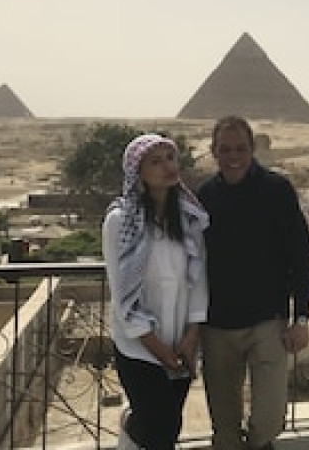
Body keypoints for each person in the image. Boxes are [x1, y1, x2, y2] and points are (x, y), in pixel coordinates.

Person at [197, 115, 309, 450]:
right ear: (214, 152)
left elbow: (299, 256)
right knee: (225, 428)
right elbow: (191, 265)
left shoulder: (277, 191)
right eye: (225, 149)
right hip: (217, 327)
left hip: (267, 323)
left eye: (241, 148)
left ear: (252, 150)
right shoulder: (203, 197)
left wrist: (301, 317)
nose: (233, 156)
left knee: (270, 419)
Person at [102, 133, 209, 450]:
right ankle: (130, 429)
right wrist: (156, 347)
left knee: (167, 428)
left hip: (180, 342)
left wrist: (191, 336)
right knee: (162, 424)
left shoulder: (188, 219)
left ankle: (132, 430)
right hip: (138, 345)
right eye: (156, 161)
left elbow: (198, 280)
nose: (167, 166)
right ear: (138, 172)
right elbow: (123, 294)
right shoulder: (120, 221)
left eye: (170, 158)